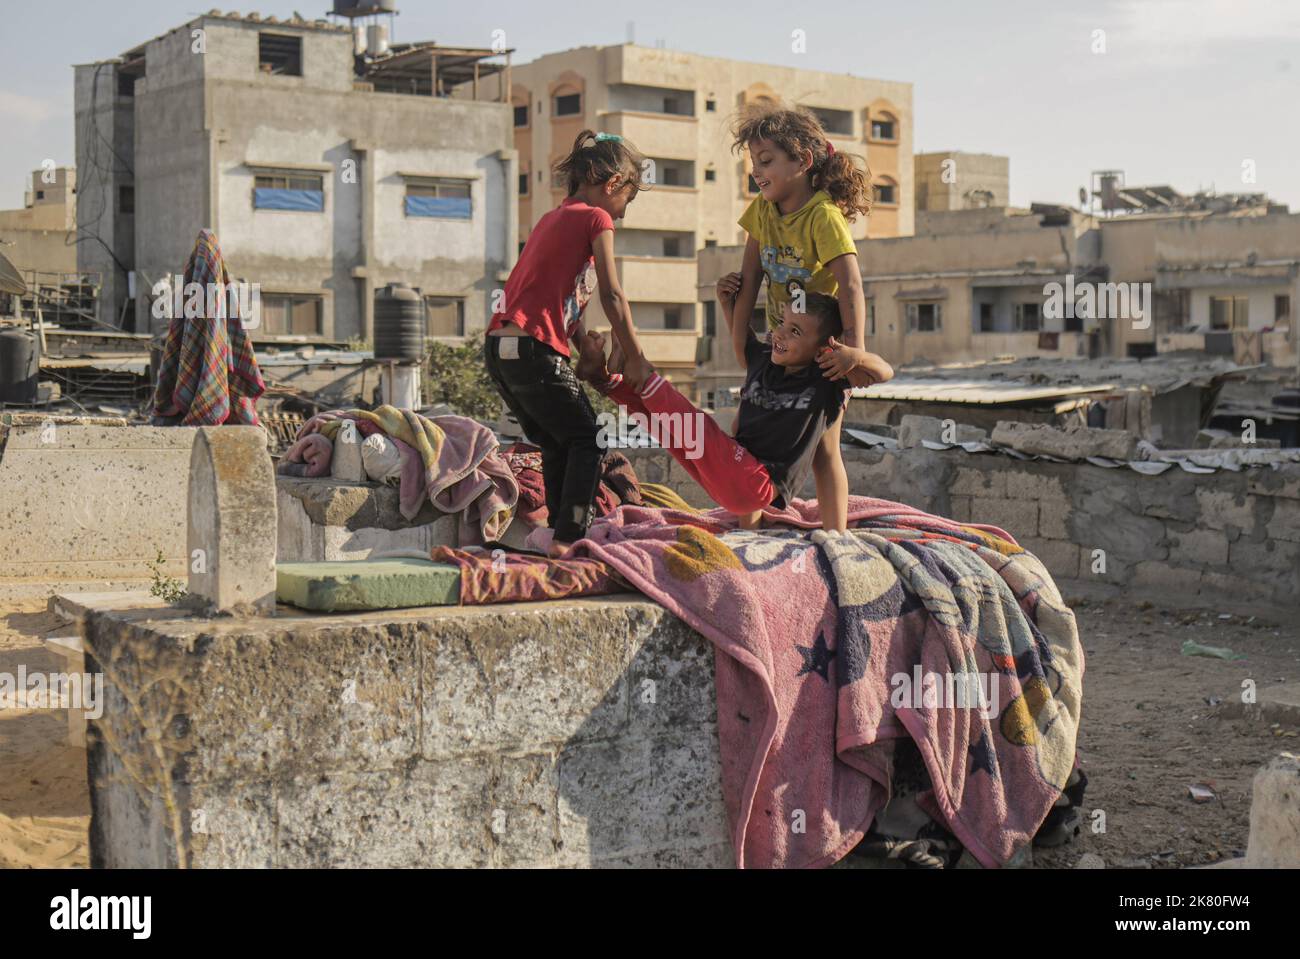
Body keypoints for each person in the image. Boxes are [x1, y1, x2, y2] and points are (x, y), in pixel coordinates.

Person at [575, 283, 892, 530]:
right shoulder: (763, 360)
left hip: (756, 485)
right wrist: (727, 302)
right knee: (669, 429)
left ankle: (643, 372)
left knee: (696, 425)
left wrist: (857, 357)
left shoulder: (825, 379)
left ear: (823, 349)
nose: (780, 334)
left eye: (795, 331)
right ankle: (610, 382)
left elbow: (884, 373)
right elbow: (741, 334)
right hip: (727, 476)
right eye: (782, 323)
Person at [484, 130, 653, 556]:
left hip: (503, 350)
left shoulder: (550, 219)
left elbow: (551, 298)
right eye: (627, 202)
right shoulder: (595, 219)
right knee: (591, 439)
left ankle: (553, 534)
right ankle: (570, 538)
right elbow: (613, 295)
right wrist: (636, 358)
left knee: (561, 440)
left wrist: (584, 352)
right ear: (612, 184)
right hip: (533, 349)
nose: (623, 216)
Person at [730, 98, 883, 531]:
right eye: (753, 163)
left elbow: (851, 285)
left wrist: (853, 352)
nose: (757, 172)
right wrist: (741, 346)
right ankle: (749, 529)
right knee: (752, 439)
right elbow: (749, 281)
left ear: (803, 161)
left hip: (820, 351)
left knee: (825, 449)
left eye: (766, 161)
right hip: (780, 345)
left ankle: (837, 536)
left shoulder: (823, 216)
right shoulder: (761, 212)